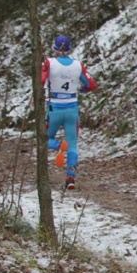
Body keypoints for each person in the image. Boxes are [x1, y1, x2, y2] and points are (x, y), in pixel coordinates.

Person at [41, 34, 96, 190]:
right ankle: (70, 178)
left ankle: (58, 146)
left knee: (43, 139)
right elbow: (91, 85)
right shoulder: (78, 65)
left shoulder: (49, 63)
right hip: (71, 109)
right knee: (73, 145)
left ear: (54, 48)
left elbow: (41, 80)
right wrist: (82, 90)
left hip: (53, 108)